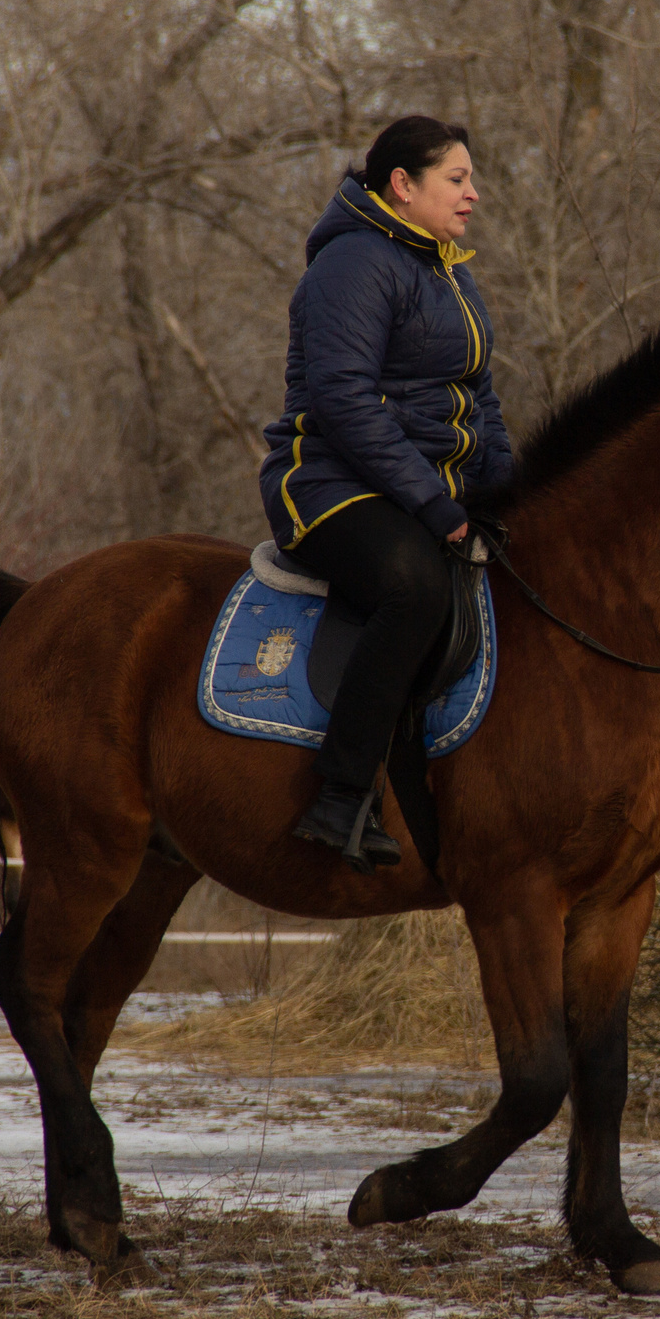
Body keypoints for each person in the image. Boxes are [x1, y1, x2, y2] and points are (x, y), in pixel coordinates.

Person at [258, 116, 512, 871]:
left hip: (418, 491)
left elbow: (483, 401)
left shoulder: (447, 271)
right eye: (456, 179)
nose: (474, 193)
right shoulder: (352, 264)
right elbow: (342, 400)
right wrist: (438, 508)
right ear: (402, 185)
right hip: (327, 485)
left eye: (471, 178)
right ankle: (339, 794)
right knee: (416, 586)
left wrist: (505, 496)